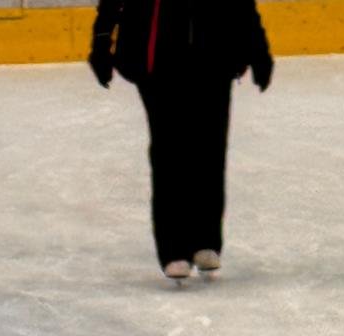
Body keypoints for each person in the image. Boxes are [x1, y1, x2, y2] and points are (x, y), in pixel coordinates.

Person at [87, 0, 274, 282]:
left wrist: (258, 49)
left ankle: (206, 241)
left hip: (214, 57)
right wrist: (101, 42)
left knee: (209, 151)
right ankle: (173, 248)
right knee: (169, 152)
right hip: (157, 60)